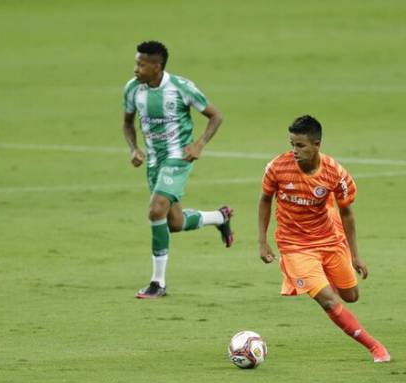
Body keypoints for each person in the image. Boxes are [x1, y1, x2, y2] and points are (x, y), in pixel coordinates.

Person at [258, 115, 390, 363]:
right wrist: (262, 241)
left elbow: (347, 213)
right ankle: (375, 348)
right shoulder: (277, 167)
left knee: (351, 296)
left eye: (301, 146)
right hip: (294, 245)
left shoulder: (335, 173)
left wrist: (354, 255)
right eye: (292, 144)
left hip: (330, 239)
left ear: (317, 144)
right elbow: (265, 199)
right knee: (328, 300)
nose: (294, 151)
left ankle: (323, 273)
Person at [122, 40, 230, 299]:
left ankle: (157, 283)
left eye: (142, 64)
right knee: (174, 222)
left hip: (178, 158)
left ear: (157, 66)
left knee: (155, 209)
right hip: (154, 162)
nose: (136, 68)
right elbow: (127, 123)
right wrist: (134, 148)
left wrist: (199, 145)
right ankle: (220, 217)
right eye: (136, 63)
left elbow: (216, 115)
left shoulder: (180, 87)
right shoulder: (132, 89)